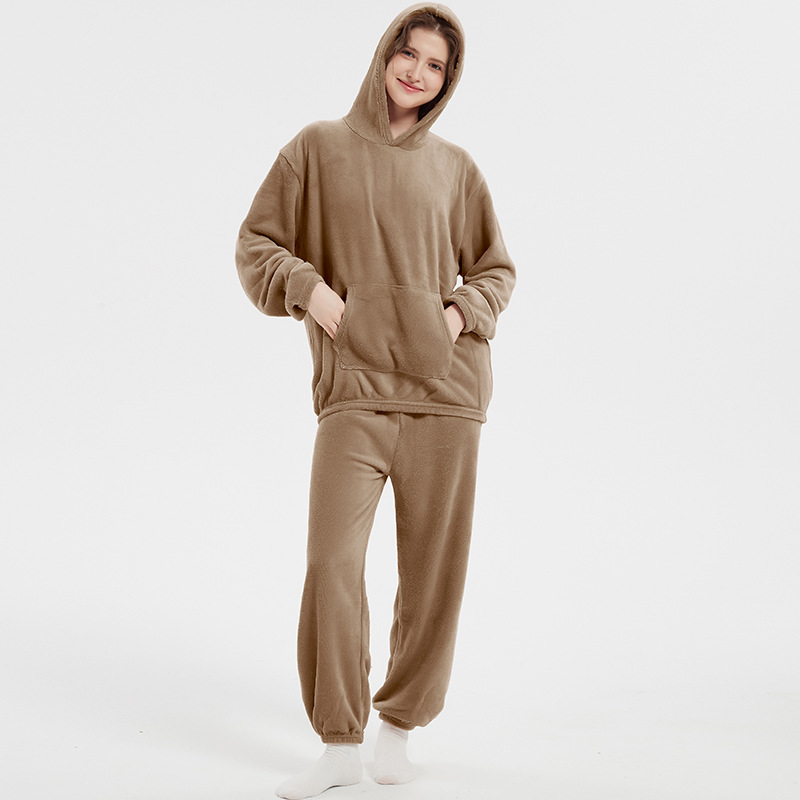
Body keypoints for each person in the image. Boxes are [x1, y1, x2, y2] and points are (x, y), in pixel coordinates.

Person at [235, 4, 515, 798]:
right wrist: (312, 292)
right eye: (408, 52)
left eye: (435, 65)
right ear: (385, 52)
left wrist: (454, 316)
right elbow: (256, 243)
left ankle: (397, 730)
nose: (416, 72)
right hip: (353, 393)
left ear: (447, 81)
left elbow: (496, 269)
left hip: (446, 396)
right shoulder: (317, 148)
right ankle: (338, 741)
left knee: (432, 577)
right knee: (332, 563)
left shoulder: (455, 168)